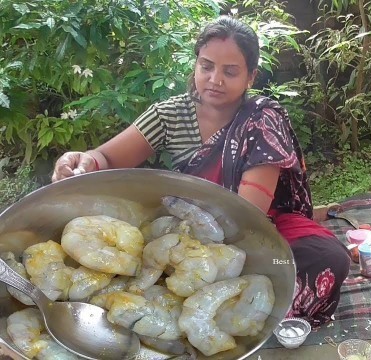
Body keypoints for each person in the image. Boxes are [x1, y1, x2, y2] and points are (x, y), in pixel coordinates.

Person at [51, 15, 351, 327]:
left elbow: (246, 215)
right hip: (189, 230)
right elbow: (106, 158)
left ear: (251, 77)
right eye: (206, 66)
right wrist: (82, 161)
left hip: (259, 231)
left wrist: (213, 262)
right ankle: (227, 309)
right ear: (195, 65)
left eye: (230, 71)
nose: (215, 79)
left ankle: (221, 310)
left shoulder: (262, 120)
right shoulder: (170, 114)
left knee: (327, 258)